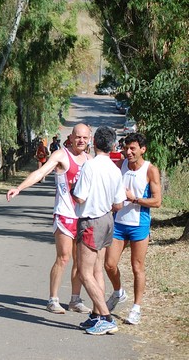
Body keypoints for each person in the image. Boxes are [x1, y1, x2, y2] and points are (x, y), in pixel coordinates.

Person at [7, 123, 93, 314]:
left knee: (80, 261)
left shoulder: (90, 159)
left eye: (85, 138)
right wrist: (19, 188)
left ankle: (75, 300)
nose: (81, 141)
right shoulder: (61, 155)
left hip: (83, 216)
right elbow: (40, 172)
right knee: (63, 257)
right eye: (77, 137)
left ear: (90, 139)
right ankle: (53, 299)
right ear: (70, 137)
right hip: (64, 214)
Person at [72, 126, 126, 335]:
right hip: (107, 220)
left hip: (90, 221)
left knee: (85, 273)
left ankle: (106, 317)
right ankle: (96, 315)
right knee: (97, 270)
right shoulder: (114, 169)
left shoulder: (90, 166)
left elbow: (80, 197)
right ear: (113, 145)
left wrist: (72, 189)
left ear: (93, 142)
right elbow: (119, 204)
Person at [104, 133, 161, 325]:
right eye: (126, 148)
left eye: (132, 149)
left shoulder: (150, 170)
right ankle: (119, 292)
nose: (128, 152)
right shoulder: (120, 165)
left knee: (137, 267)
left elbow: (157, 201)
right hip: (119, 222)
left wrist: (134, 199)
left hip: (139, 224)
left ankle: (136, 308)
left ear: (142, 149)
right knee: (109, 265)